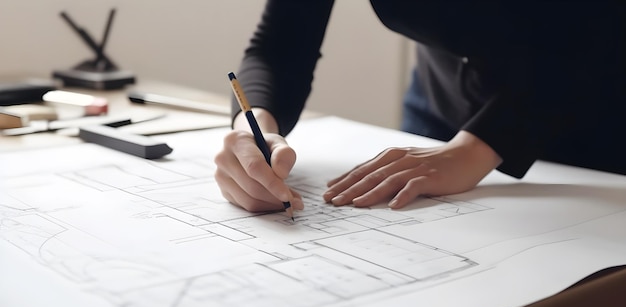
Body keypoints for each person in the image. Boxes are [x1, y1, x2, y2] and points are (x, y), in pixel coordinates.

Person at [214, 0, 625, 214]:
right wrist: (256, 130)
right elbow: (282, 44)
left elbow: (594, 33)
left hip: (590, 128)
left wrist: (476, 149)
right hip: (435, 121)